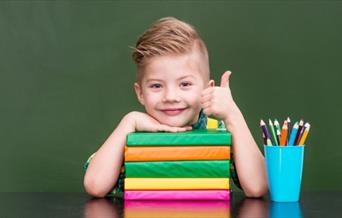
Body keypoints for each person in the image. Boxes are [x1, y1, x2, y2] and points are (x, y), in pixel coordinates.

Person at [83, 17, 267, 198]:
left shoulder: (218, 133)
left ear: (208, 89)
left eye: (185, 84)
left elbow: (257, 187)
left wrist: (233, 116)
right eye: (156, 86)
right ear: (140, 93)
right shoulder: (132, 135)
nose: (170, 97)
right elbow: (95, 185)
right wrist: (127, 122)